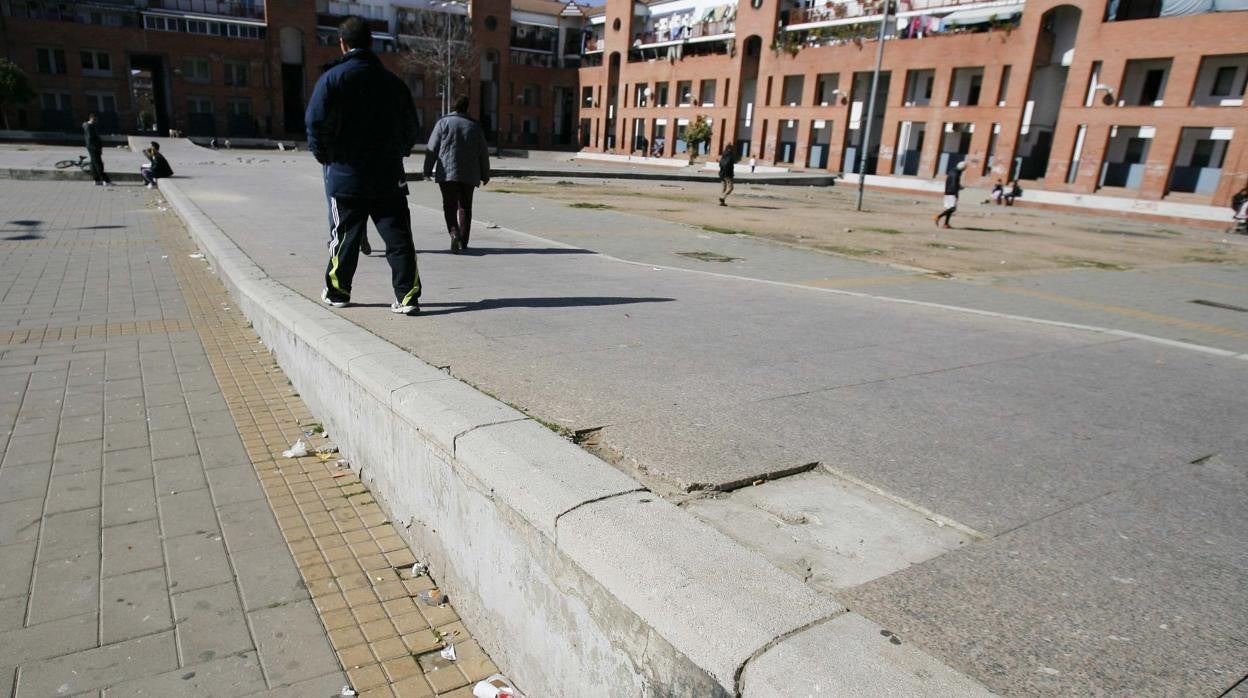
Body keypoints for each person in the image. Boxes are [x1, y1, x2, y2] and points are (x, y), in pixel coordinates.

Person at [306, 15, 421, 315]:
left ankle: (338, 291)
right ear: (372, 43)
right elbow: (411, 126)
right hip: (387, 174)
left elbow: (314, 123)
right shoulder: (393, 83)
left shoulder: (331, 79)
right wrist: (399, 152)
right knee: (398, 237)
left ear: (342, 43)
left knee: (344, 236)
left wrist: (326, 157)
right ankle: (407, 296)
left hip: (346, 174)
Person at [423, 95, 491, 254]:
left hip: (447, 173)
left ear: (452, 107)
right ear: (467, 108)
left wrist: (427, 170)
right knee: (465, 207)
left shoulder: (443, 122)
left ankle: (454, 233)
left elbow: (432, 148)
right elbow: (483, 153)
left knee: (449, 205)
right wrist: (485, 174)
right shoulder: (475, 126)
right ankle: (464, 242)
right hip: (469, 173)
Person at [934, 160, 966, 228]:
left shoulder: (952, 171)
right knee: (953, 208)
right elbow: (954, 183)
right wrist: (956, 194)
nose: (965, 169)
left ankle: (946, 224)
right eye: (965, 168)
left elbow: (952, 182)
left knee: (949, 209)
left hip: (947, 191)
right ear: (963, 168)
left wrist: (959, 186)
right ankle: (938, 216)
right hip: (952, 192)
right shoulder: (956, 173)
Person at [82, 114, 112, 186]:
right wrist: (95, 148)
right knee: (98, 164)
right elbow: (90, 138)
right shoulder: (89, 127)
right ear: (91, 119)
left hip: (93, 147)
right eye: (94, 120)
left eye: (96, 120)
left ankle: (97, 180)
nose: (96, 121)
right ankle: (106, 180)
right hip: (93, 148)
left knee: (93, 164)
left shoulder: (90, 126)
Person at [718, 142, 736, 206]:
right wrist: (729, 174)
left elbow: (720, 164)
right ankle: (722, 197)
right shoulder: (730, 156)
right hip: (727, 174)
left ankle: (722, 202)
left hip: (721, 174)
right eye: (732, 148)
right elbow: (727, 165)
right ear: (730, 149)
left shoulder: (723, 155)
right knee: (731, 188)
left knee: (724, 188)